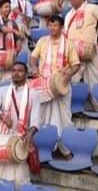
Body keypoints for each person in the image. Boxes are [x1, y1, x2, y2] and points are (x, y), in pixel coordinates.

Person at [29, 15, 80, 157]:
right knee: (43, 117)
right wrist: (33, 67)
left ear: (61, 27)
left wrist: (67, 76)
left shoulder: (68, 44)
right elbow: (33, 57)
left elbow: (76, 65)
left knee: (65, 118)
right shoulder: (42, 41)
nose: (52, 28)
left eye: (55, 25)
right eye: (50, 26)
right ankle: (45, 148)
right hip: (44, 85)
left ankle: (65, 149)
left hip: (62, 86)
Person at [0, 62, 41, 187]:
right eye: (14, 70)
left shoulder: (33, 94)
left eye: (20, 70)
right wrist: (2, 116)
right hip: (2, 137)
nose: (16, 73)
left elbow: (36, 120)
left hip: (20, 138)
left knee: (19, 176)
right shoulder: (3, 90)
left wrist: (30, 134)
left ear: (26, 74)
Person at [64, 0, 98, 111]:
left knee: (95, 79)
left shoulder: (92, 8)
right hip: (73, 52)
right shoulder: (68, 15)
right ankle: (73, 109)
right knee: (72, 80)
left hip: (90, 50)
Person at [0, 0, 23, 84]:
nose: (8, 9)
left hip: (8, 55)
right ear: (0, 8)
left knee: (7, 80)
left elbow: (17, 39)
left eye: (9, 7)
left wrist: (17, 50)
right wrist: (14, 31)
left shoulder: (12, 23)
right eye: (6, 7)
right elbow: (1, 28)